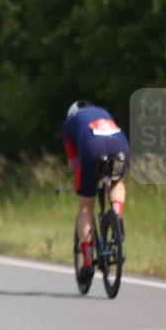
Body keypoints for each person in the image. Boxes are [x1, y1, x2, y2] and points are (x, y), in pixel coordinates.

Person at [61, 100, 130, 285]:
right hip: (120, 146)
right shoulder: (103, 112)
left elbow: (73, 162)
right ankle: (116, 216)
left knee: (85, 206)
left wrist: (81, 183)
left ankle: (88, 260)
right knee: (116, 182)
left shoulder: (69, 124)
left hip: (92, 149)